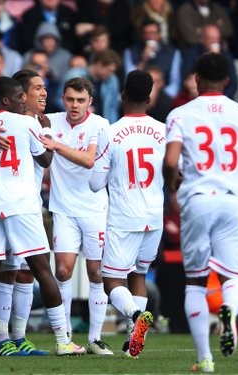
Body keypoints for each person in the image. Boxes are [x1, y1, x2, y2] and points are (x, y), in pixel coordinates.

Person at [163, 52, 238, 373]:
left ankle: (205, 359)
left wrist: (172, 186)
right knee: (233, 276)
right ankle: (229, 313)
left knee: (195, 281)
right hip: (233, 200)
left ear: (196, 79)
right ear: (227, 81)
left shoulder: (180, 114)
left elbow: (170, 161)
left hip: (197, 198)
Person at [0, 76, 82, 357]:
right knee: (42, 270)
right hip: (22, 206)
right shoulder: (27, 123)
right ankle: (62, 340)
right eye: (24, 94)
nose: (25, 99)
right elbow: (46, 159)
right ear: (9, 98)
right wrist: (47, 131)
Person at [89, 70, 165, 358]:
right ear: (149, 98)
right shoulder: (164, 130)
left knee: (111, 282)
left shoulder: (110, 132)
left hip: (124, 217)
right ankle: (134, 344)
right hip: (154, 216)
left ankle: (136, 315)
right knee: (139, 275)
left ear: (122, 95)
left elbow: (95, 183)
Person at [40, 77, 113, 355]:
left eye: (81, 100)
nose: (75, 105)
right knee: (62, 270)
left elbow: (89, 160)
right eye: (70, 99)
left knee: (96, 272)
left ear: (89, 102)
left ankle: (95, 338)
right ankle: (66, 336)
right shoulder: (50, 121)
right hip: (63, 208)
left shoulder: (100, 124)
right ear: (63, 98)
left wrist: (55, 145)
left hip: (94, 208)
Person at [123, 18, 182, 99]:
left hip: (164, 97)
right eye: (146, 33)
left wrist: (159, 96)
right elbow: (128, 81)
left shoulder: (173, 52)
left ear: (159, 34)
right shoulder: (130, 51)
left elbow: (175, 82)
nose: (149, 36)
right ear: (141, 35)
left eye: (153, 33)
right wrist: (143, 60)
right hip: (138, 96)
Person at [58, 49, 122, 124]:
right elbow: (59, 99)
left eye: (113, 71)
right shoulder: (74, 75)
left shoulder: (112, 80)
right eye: (109, 70)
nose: (111, 74)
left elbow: (112, 108)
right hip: (77, 123)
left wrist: (111, 128)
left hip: (102, 125)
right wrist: (82, 108)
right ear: (99, 64)